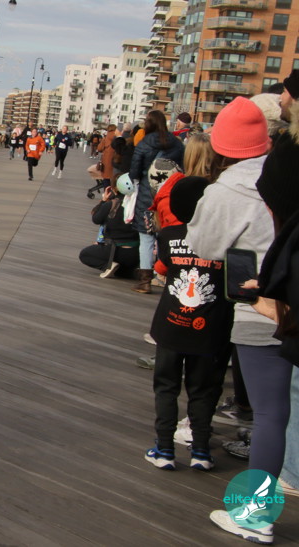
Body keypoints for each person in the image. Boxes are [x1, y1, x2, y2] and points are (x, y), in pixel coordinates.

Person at [185, 98, 291, 543]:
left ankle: (255, 516)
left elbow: (203, 247)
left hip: (261, 308)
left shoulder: (226, 190)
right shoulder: (288, 170)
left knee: (269, 414)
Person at [144, 177, 233, 472]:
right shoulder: (227, 239)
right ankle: (201, 451)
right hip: (209, 326)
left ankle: (164, 449)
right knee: (204, 389)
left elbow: (164, 265)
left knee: (166, 386)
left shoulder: (169, 236)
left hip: (170, 324)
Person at [129, 110, 184, 294]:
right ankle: (163, 276)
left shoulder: (144, 143)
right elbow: (182, 168)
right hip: (170, 195)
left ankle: (145, 281)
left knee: (146, 238)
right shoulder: (177, 143)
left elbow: (134, 172)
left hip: (147, 194)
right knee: (166, 236)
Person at [79, 175, 139, 278]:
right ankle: (131, 271)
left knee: (84, 254)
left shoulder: (111, 205)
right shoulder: (139, 206)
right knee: (122, 273)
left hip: (114, 251)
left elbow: (96, 219)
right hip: (136, 252)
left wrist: (103, 200)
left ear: (114, 189)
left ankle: (108, 266)